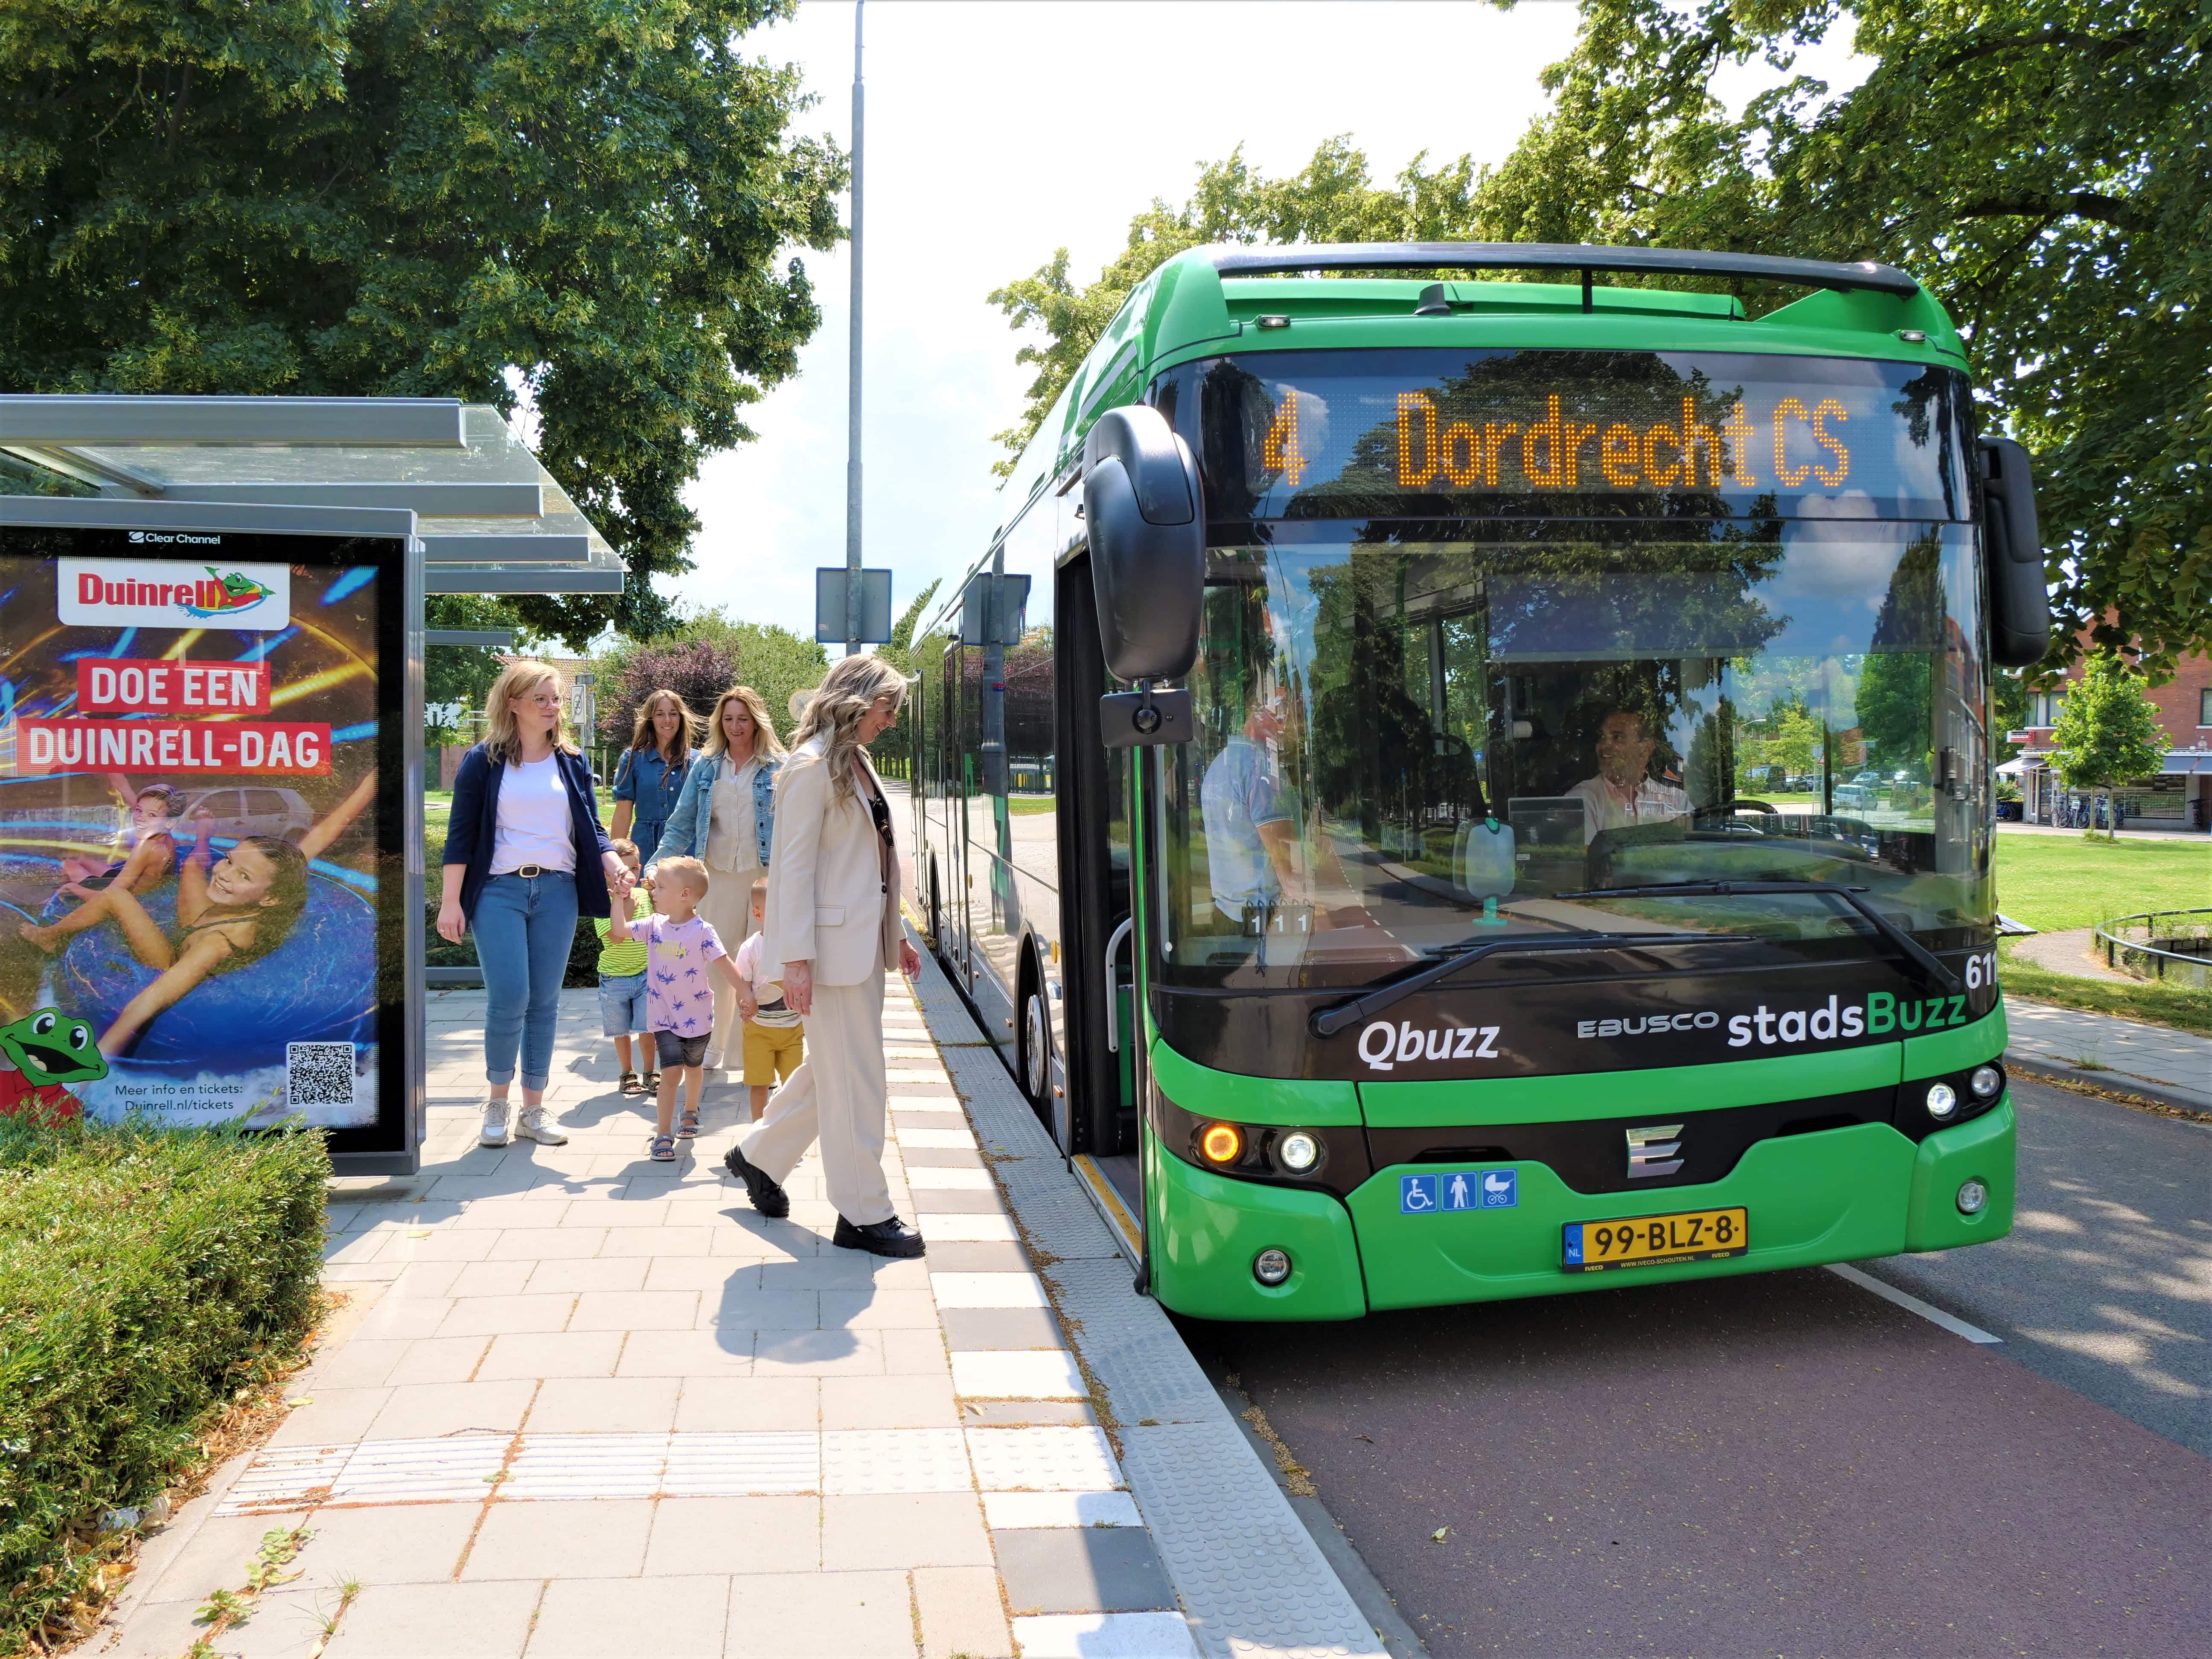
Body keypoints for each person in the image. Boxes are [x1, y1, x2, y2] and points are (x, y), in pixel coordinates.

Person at [722, 654, 924, 1258]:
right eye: (887, 709)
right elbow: (793, 872)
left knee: (838, 1069)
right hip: (829, 957)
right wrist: (796, 962)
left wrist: (898, 932)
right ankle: (863, 1214)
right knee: (857, 1082)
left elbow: (872, 863)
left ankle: (758, 1157)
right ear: (858, 703)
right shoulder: (811, 769)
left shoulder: (852, 762)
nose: (891, 721)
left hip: (858, 948)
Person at [23, 771, 378, 1057]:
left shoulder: (216, 946)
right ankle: (204, 841)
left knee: (117, 896)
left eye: (243, 876)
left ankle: (49, 938)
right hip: (208, 918)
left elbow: (151, 1000)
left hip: (179, 952)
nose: (223, 874)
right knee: (194, 867)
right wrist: (367, 785)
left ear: (270, 899)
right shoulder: (279, 881)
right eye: (229, 861)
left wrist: (95, 1063)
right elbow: (329, 830)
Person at [438, 661, 632, 1150]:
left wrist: (614, 866)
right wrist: (449, 903)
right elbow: (460, 839)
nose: (551, 707)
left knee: (545, 1004)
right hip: (499, 892)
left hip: (558, 891)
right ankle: (497, 1103)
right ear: (514, 703)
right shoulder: (482, 762)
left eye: (556, 699)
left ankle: (534, 1109)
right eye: (541, 698)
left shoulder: (571, 760)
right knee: (510, 999)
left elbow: (593, 828)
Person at [656, 684, 784, 1070]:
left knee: (763, 962)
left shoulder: (780, 765)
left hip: (765, 876)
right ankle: (714, 1046)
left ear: (756, 721)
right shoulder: (707, 766)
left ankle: (754, 1048)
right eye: (728, 719)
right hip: (718, 875)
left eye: (742, 719)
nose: (735, 726)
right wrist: (656, 866)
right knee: (718, 961)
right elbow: (680, 823)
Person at [608, 855, 745, 1160]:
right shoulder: (653, 926)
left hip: (697, 1018)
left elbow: (725, 965)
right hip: (663, 1017)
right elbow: (618, 930)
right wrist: (618, 899)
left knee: (693, 1068)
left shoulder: (703, 931)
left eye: (661, 887)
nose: (653, 892)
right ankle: (663, 1135)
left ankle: (692, 1109)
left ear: (684, 895)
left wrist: (746, 993)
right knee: (671, 1074)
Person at [1200, 684, 1304, 927]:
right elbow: (1285, 861)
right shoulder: (1262, 770)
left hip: (1228, 912)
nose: (1291, 728)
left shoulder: (1219, 765)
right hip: (1263, 916)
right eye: (1288, 714)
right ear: (1260, 715)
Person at [732, 875, 802, 1122]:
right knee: (759, 1084)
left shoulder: (797, 946)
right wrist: (745, 1000)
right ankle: (757, 1131)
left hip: (793, 1029)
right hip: (759, 1029)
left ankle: (785, 1130)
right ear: (758, 914)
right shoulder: (751, 948)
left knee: (793, 1086)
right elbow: (741, 982)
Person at [1566, 708, 1692, 844]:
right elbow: (1586, 862)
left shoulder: (1678, 801)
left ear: (1646, 749)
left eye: (1618, 737)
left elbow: (1699, 856)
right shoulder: (1582, 799)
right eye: (1602, 737)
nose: (1604, 745)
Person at [593, 838, 654, 1096]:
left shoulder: (645, 896)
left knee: (648, 1027)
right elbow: (616, 937)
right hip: (614, 977)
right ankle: (628, 1072)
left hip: (645, 974)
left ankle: (652, 1072)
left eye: (635, 870)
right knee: (621, 1030)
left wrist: (657, 888)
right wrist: (623, 902)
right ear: (608, 874)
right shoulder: (600, 902)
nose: (630, 877)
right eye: (623, 871)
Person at [609, 690, 700, 864]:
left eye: (673, 714)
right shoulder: (633, 759)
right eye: (660, 714)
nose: (668, 720)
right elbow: (622, 814)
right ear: (651, 719)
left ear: (681, 718)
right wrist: (615, 860)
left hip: (687, 850)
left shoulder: (699, 761)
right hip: (645, 849)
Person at [57, 780, 185, 901]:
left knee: (69, 864)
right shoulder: (166, 836)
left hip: (126, 896)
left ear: (170, 822)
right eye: (138, 810)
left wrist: (73, 889)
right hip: (132, 885)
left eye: (152, 815)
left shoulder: (146, 846)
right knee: (83, 861)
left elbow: (110, 896)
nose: (140, 818)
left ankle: (56, 899)